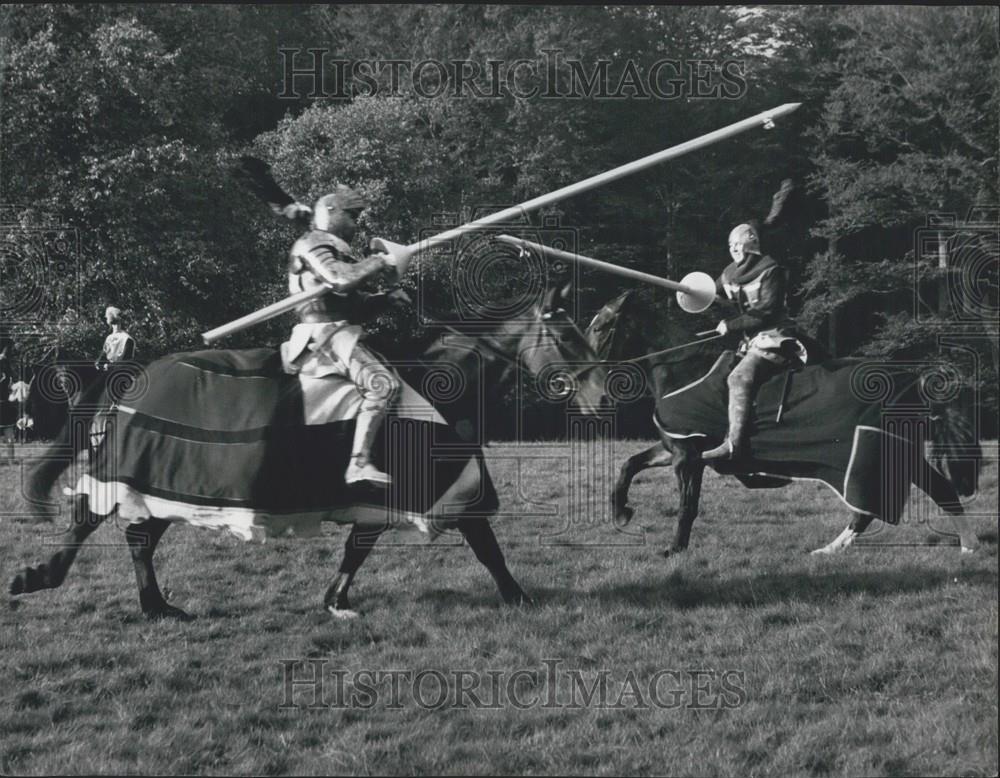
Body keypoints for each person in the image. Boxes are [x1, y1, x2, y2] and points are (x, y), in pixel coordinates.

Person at [278, 185, 402, 487]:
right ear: (330, 211)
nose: (356, 223)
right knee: (383, 386)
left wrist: (385, 299)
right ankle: (358, 464)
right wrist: (379, 261)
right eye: (352, 215)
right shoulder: (312, 242)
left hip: (340, 329)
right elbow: (339, 279)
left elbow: (352, 306)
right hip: (324, 335)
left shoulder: (336, 248)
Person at [701, 181, 809, 461]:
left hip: (773, 337)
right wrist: (690, 291)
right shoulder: (729, 273)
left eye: (739, 245)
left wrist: (731, 325)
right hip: (748, 342)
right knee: (718, 375)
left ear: (751, 245)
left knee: (739, 378)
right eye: (731, 246)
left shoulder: (770, 270)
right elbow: (710, 292)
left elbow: (767, 310)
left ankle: (735, 446)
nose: (734, 249)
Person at [95, 306, 136, 371]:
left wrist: (108, 366)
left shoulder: (127, 339)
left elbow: (126, 362)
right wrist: (99, 363)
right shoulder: (109, 338)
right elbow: (102, 357)